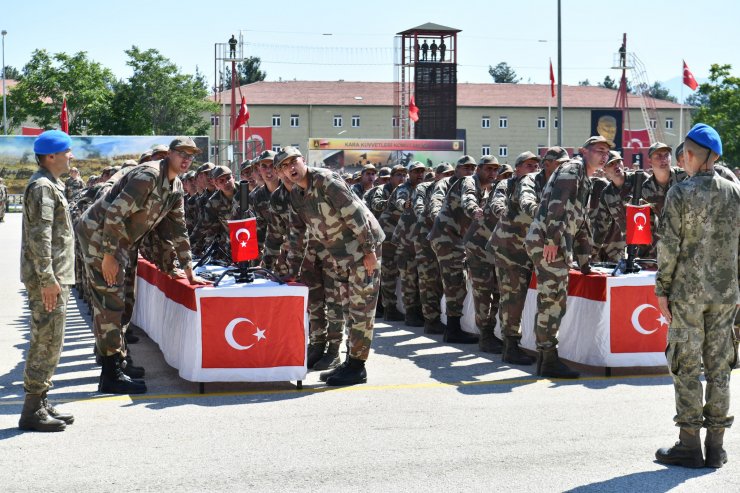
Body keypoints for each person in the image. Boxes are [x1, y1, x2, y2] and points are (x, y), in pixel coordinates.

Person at [76, 137, 209, 394]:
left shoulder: (176, 186)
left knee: (124, 299)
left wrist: (189, 270)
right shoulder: (148, 176)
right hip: (98, 236)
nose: (186, 160)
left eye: (191, 156)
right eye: (181, 153)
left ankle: (115, 360)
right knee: (110, 300)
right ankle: (110, 374)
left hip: (120, 241)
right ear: (168, 154)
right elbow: (114, 214)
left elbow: (178, 229)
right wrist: (109, 256)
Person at [654, 123, 740, 469]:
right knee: (720, 368)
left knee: (686, 365)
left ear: (690, 156)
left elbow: (668, 247)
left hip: (686, 297)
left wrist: (662, 290)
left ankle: (689, 445)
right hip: (725, 296)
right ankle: (716, 447)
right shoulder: (735, 194)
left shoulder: (680, 193)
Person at [275, 146, 384, 386]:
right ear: (280, 172)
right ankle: (350, 361)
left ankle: (357, 367)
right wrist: (291, 273)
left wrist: (369, 252)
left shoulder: (325, 181)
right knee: (348, 309)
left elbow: (356, 215)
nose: (291, 168)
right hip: (341, 256)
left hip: (362, 250)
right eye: (284, 166)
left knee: (361, 310)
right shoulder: (296, 195)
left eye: (294, 161)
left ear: (303, 160)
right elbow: (296, 236)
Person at [525, 136, 612, 378]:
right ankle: (548, 358)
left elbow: (581, 223)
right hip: (548, 242)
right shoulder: (573, 169)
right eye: (599, 151)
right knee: (551, 300)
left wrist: (585, 265)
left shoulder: (586, 177)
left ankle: (545, 358)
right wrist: (552, 239)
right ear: (584, 151)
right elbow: (557, 204)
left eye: (607, 152)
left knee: (554, 300)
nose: (604, 156)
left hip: (556, 243)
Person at [18, 130, 76, 432]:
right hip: (48, 279)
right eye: (67, 151)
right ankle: (31, 410)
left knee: (51, 340)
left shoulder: (52, 184)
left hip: (54, 276)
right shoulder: (42, 187)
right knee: (46, 341)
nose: (72, 156)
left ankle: (40, 400)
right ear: (50, 156)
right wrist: (48, 279)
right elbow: (40, 237)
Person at [490, 150, 552, 365]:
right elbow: (497, 202)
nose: (533, 169)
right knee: (512, 298)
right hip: (509, 249)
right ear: (517, 169)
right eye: (528, 165)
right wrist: (501, 210)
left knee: (517, 297)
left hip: (528, 248)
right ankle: (510, 346)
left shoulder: (540, 184)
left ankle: (513, 342)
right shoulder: (507, 184)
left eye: (536, 165)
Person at [429, 155, 479, 344]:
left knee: (456, 280)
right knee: (453, 280)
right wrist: (440, 221)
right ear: (457, 169)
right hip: (447, 237)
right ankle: (452, 329)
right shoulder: (447, 184)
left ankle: (453, 327)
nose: (469, 171)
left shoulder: (471, 185)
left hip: (456, 238)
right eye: (465, 168)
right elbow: (435, 203)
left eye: (472, 168)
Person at [461, 155, 501, 352]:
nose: (492, 173)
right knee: (482, 291)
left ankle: (489, 332)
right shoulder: (471, 181)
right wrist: (473, 209)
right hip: (477, 246)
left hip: (491, 245)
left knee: (496, 290)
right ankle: (485, 335)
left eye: (495, 170)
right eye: (489, 169)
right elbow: (468, 197)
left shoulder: (493, 188)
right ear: (479, 169)